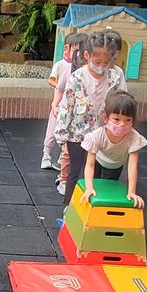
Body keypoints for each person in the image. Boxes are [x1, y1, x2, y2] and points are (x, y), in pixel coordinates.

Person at [53, 29, 126, 208]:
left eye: (106, 62)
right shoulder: (76, 78)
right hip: (78, 134)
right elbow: (66, 106)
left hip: (102, 134)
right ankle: (69, 208)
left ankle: (90, 208)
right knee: (77, 171)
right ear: (87, 56)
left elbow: (121, 102)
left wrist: (121, 129)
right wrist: (61, 133)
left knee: (96, 173)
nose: (101, 66)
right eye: (97, 61)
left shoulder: (115, 78)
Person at [79, 89, 147, 208]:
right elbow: (89, 165)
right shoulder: (98, 135)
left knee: (109, 190)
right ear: (106, 118)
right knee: (88, 190)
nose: (122, 124)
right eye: (116, 119)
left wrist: (131, 192)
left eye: (128, 120)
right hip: (97, 161)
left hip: (115, 165)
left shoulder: (133, 137)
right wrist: (89, 188)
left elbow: (132, 166)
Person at [42, 32, 86, 172]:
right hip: (61, 105)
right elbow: (55, 83)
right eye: (75, 50)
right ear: (67, 48)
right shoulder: (62, 65)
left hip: (74, 108)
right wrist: (55, 104)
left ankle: (62, 158)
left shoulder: (83, 69)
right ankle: (46, 154)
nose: (78, 55)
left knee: (68, 133)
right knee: (52, 130)